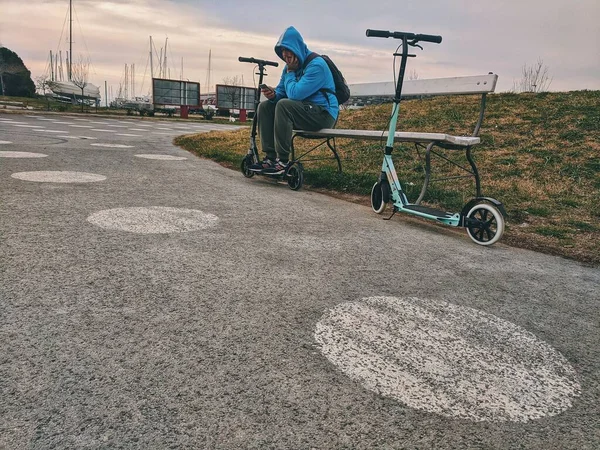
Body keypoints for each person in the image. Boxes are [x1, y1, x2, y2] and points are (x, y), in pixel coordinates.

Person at [249, 26, 339, 174]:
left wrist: (290, 73)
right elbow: (282, 93)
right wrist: (273, 95)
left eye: (287, 49)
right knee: (265, 107)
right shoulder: (289, 67)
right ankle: (270, 158)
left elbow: (294, 95)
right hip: (304, 112)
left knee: (284, 105)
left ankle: (283, 161)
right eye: (282, 51)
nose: (285, 54)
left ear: (296, 47)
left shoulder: (316, 65)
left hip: (324, 115)